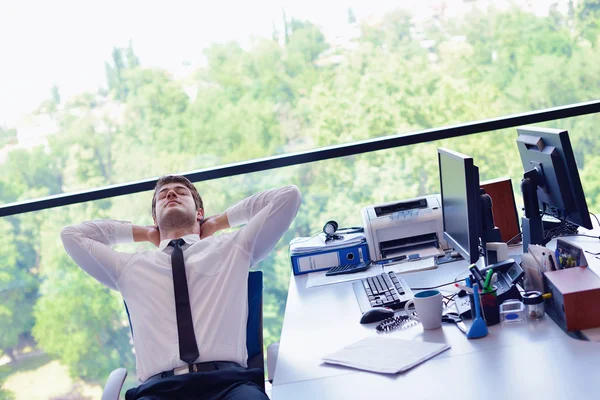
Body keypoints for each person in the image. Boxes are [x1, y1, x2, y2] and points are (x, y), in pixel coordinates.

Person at [61, 175, 302, 400]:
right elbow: (72, 235)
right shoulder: (128, 267)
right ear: (155, 219)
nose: (171, 195)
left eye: (180, 192)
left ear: (199, 213)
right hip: (158, 391)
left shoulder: (234, 247)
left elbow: (287, 197)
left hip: (230, 386)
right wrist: (143, 233)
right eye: (163, 195)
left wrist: (218, 222)